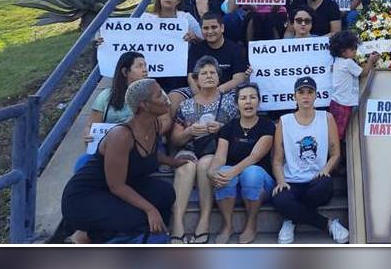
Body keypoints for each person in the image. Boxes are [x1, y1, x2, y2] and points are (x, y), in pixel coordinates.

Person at [61, 79, 188, 243]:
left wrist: (172, 162)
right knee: (141, 219)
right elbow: (117, 186)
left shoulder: (155, 124)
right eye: (159, 95)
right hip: (86, 196)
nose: (165, 98)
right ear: (144, 105)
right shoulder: (121, 136)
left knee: (165, 193)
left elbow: (148, 153)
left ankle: (147, 233)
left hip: (119, 187)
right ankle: (84, 236)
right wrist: (150, 210)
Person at [167, 57, 239, 243]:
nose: (208, 76)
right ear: (196, 79)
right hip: (189, 148)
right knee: (186, 166)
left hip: (216, 151)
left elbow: (240, 134)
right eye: (204, 73)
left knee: (206, 164)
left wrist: (221, 128)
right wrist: (189, 131)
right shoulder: (185, 105)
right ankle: (177, 223)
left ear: (219, 78)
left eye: (212, 73)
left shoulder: (230, 103)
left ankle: (204, 221)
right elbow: (175, 138)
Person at [272, 76, 350, 244]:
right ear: (295, 96)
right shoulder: (284, 122)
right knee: (280, 198)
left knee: (324, 186)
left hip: (316, 181)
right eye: (301, 92)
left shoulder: (327, 118)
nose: (305, 96)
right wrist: (280, 181)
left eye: (310, 92)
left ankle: (292, 217)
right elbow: (277, 160)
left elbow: (335, 153)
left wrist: (326, 169)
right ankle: (327, 224)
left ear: (316, 95)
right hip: (292, 181)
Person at [207, 83, 277, 244]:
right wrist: (212, 172)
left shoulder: (267, 126)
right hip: (234, 186)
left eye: (252, 97)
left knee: (251, 172)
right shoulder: (229, 128)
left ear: (259, 102)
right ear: (236, 103)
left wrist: (231, 173)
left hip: (260, 185)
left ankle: (251, 223)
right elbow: (219, 157)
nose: (248, 102)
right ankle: (227, 225)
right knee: (222, 170)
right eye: (243, 98)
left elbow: (254, 157)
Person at [105, 0, 200, 93]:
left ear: (179, 1)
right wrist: (105, 40)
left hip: (176, 69)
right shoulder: (145, 18)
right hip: (150, 67)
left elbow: (203, 38)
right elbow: (126, 37)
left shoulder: (186, 18)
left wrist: (194, 37)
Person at [181, 12, 250, 106]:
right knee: (174, 96)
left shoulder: (235, 49)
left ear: (222, 28)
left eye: (214, 27)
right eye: (205, 28)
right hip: (199, 90)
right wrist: (199, 96)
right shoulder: (196, 48)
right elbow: (191, 77)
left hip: (226, 91)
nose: (210, 31)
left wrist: (217, 92)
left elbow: (239, 78)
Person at [327, 30, 379, 140]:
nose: (355, 51)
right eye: (353, 49)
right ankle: (337, 152)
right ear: (343, 52)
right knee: (339, 134)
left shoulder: (337, 61)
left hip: (337, 101)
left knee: (334, 131)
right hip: (344, 104)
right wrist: (371, 61)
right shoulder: (348, 63)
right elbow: (363, 73)